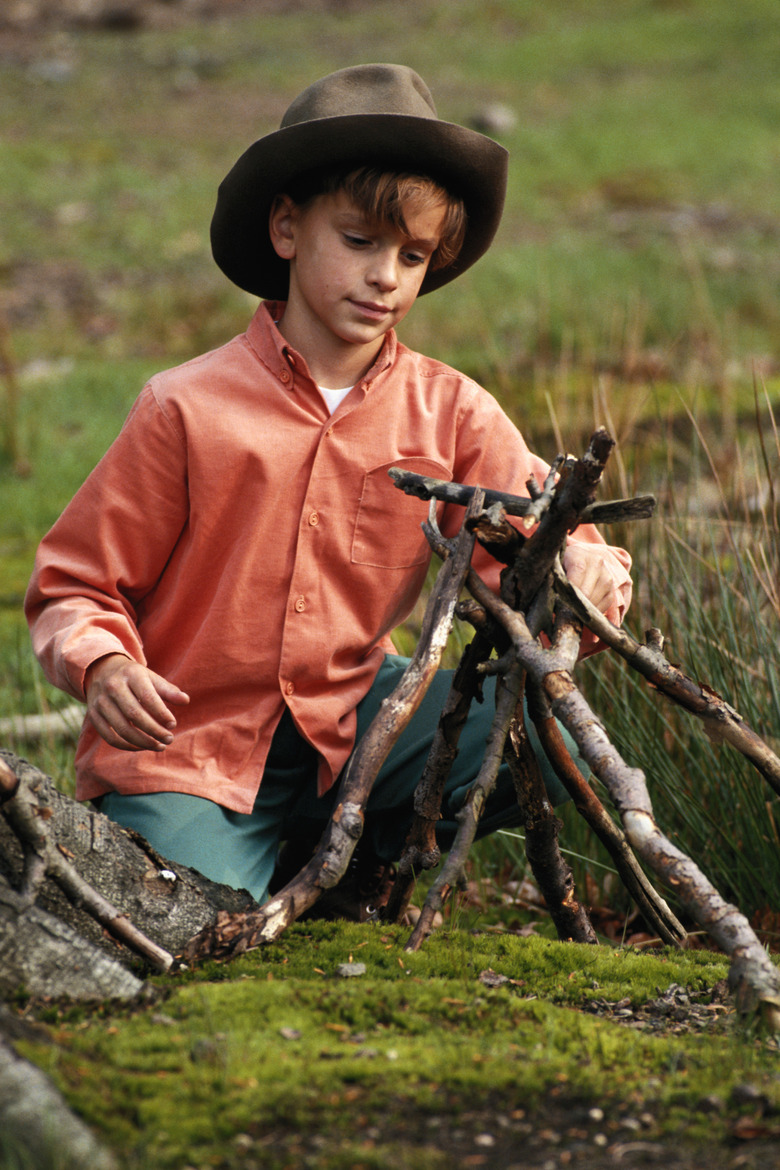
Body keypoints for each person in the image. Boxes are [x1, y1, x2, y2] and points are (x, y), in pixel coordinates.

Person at [25, 64, 632, 915]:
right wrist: (104, 665)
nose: (386, 276)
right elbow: (74, 583)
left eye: (412, 255)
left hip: (358, 726)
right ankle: (261, 859)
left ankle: (359, 850)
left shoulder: (453, 410)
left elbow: (537, 542)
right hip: (190, 745)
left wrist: (584, 576)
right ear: (286, 228)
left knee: (556, 728)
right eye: (359, 241)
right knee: (189, 919)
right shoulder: (184, 407)